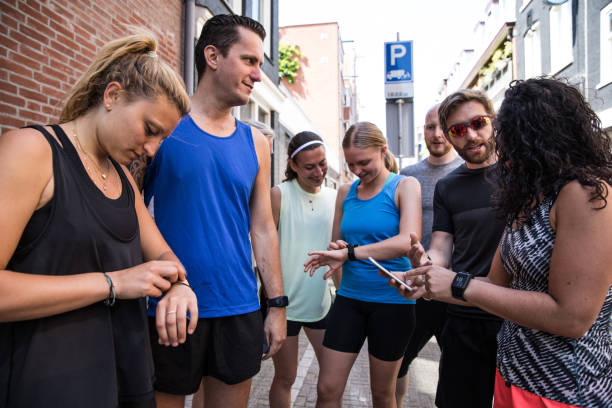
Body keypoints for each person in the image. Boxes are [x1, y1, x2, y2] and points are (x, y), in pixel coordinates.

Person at [0, 33, 196, 408]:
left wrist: (180, 286)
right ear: (112, 96)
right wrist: (112, 283)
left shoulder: (123, 179)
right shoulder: (31, 150)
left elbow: (165, 258)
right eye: (150, 130)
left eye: (162, 139)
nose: (152, 150)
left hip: (126, 379)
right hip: (49, 384)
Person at [393, 78, 612, 407]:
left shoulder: (587, 194)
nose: (500, 145)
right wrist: (431, 280)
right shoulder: (525, 197)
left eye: (501, 132)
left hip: (564, 389)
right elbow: (496, 283)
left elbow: (573, 317)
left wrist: (456, 285)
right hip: (512, 378)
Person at [143, 15, 286, 408]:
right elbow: (132, 214)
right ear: (212, 56)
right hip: (169, 305)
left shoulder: (257, 142)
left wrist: (275, 305)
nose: (258, 75)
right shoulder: (165, 129)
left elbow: (263, 228)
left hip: (239, 306)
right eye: (249, 61)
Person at [397, 89, 504, 408]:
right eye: (458, 129)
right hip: (463, 315)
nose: (470, 135)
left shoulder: (523, 173)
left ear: (493, 121)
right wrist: (424, 269)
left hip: (515, 314)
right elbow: (442, 247)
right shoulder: (448, 186)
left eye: (478, 123)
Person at [304, 122, 421, 408]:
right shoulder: (346, 192)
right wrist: (338, 250)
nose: (357, 170)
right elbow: (338, 243)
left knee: (382, 394)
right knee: (326, 388)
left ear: (383, 151)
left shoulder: (405, 185)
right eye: (351, 164)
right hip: (350, 300)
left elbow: (408, 240)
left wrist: (351, 253)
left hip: (392, 303)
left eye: (364, 162)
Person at [395, 104, 462, 407]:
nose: (436, 134)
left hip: (456, 287)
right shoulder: (408, 175)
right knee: (397, 361)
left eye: (442, 126)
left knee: (457, 370)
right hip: (416, 285)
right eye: (429, 127)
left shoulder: (466, 171)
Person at [268, 131, 337, 408]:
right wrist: (272, 301)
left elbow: (338, 250)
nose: (319, 171)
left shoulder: (335, 197)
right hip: (285, 305)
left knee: (333, 378)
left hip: (322, 301)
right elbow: (264, 248)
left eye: (322, 163)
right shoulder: (279, 194)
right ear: (293, 165)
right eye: (310, 166)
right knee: (286, 377)